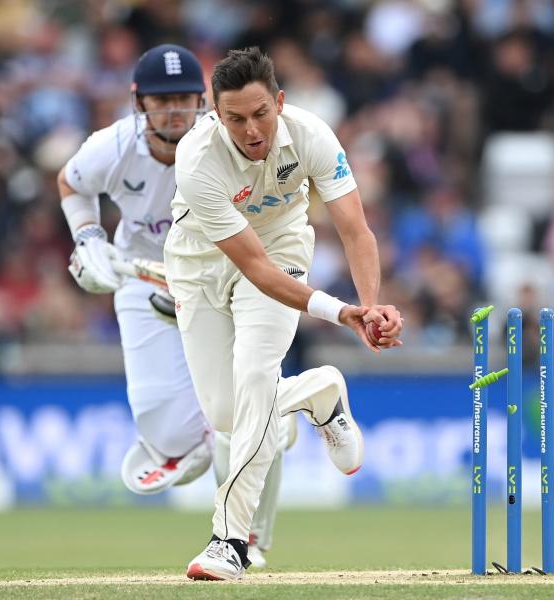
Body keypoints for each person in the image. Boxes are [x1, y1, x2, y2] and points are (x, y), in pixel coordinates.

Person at [165, 47, 403, 581]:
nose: (251, 130)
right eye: (235, 119)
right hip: (202, 265)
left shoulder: (313, 135)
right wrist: (343, 313)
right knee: (229, 416)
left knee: (253, 381)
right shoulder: (197, 159)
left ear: (279, 101)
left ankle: (229, 541)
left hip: (283, 251)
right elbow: (250, 266)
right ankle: (319, 391)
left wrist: (369, 304)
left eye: (260, 114)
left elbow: (355, 229)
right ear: (214, 113)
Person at [57, 44, 293, 567]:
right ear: (138, 102)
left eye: (185, 99)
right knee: (166, 436)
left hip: (221, 275)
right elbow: (71, 185)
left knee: (247, 405)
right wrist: (88, 235)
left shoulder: (226, 142)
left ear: (201, 101)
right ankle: (261, 419)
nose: (175, 111)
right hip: (142, 278)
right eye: (162, 101)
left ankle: (246, 537)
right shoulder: (112, 146)